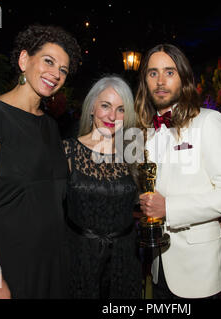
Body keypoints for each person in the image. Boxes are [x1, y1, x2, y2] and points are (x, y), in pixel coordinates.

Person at [0, 25, 81, 299]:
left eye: (63, 69)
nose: (56, 74)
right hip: (12, 262)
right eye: (48, 62)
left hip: (54, 258)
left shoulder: (50, 125)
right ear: (24, 60)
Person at [135, 44, 221, 299]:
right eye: (152, 73)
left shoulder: (209, 121)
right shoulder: (148, 132)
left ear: (184, 78)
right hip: (159, 264)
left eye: (169, 72)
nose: (160, 81)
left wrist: (169, 208)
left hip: (199, 273)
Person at [62, 75, 142, 298]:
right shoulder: (68, 150)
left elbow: (145, 198)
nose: (112, 116)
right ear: (91, 108)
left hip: (125, 258)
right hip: (80, 257)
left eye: (120, 109)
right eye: (105, 106)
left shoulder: (133, 154)